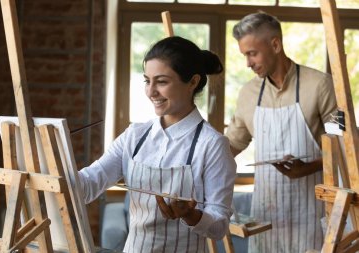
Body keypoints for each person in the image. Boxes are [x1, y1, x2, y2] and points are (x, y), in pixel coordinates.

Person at [79, 36, 236, 253]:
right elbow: (89, 184)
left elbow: (219, 227)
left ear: (192, 82)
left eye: (161, 81)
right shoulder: (134, 136)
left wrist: (190, 215)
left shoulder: (212, 145)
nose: (151, 91)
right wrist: (51, 170)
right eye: (147, 80)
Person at [225, 12, 337, 253]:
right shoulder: (248, 93)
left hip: (310, 213)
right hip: (266, 216)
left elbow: (347, 147)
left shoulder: (320, 84)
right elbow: (232, 145)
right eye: (244, 55)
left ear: (275, 44)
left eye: (252, 53)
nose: (248, 63)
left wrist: (308, 167)